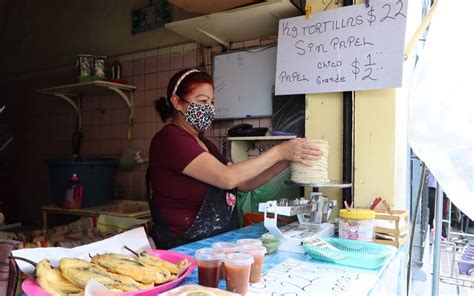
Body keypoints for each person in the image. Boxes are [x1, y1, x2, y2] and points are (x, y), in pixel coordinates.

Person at [149, 68, 322, 249]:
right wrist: (280, 152)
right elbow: (227, 178)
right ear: (177, 102)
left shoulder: (205, 144)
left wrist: (286, 161)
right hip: (183, 247)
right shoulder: (170, 139)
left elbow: (242, 183)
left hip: (213, 243)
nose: (208, 108)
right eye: (202, 101)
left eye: (211, 102)